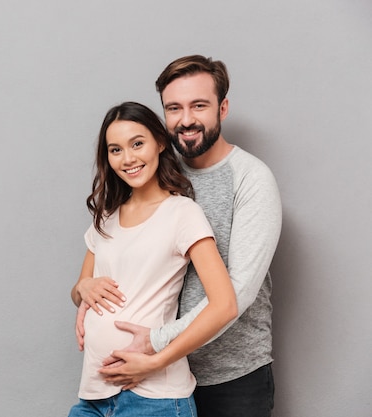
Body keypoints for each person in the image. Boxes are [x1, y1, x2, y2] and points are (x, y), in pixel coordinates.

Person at [76, 55, 282, 417]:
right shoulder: (150, 173)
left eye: (198, 105)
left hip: (229, 375)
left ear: (223, 107)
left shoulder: (250, 179)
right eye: (174, 108)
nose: (186, 119)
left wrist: (157, 345)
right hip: (151, 380)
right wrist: (83, 290)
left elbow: (240, 291)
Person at [68, 101, 237, 417]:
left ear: (160, 142)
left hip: (154, 399)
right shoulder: (105, 218)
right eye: (115, 150)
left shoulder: (182, 214)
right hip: (93, 397)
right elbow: (79, 289)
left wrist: (156, 360)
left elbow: (225, 304)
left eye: (137, 144)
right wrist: (84, 288)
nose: (128, 158)